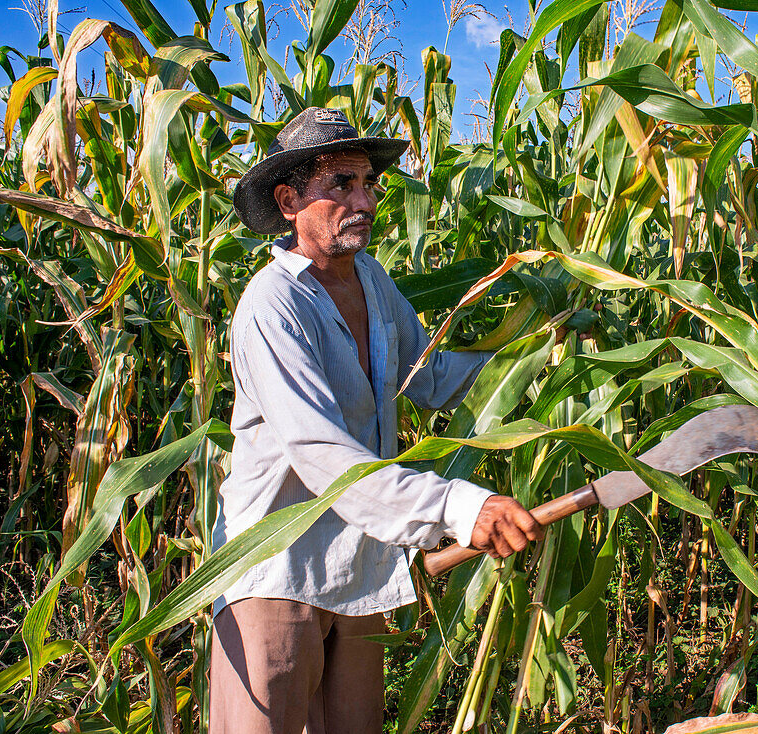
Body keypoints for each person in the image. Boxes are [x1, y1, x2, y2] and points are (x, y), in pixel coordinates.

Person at [210, 106, 542, 734]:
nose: (363, 201)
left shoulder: (371, 279)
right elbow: (319, 453)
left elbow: (427, 374)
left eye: (369, 184)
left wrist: (531, 361)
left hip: (361, 565)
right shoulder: (272, 305)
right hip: (279, 568)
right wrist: (459, 508)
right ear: (288, 201)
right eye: (341, 184)